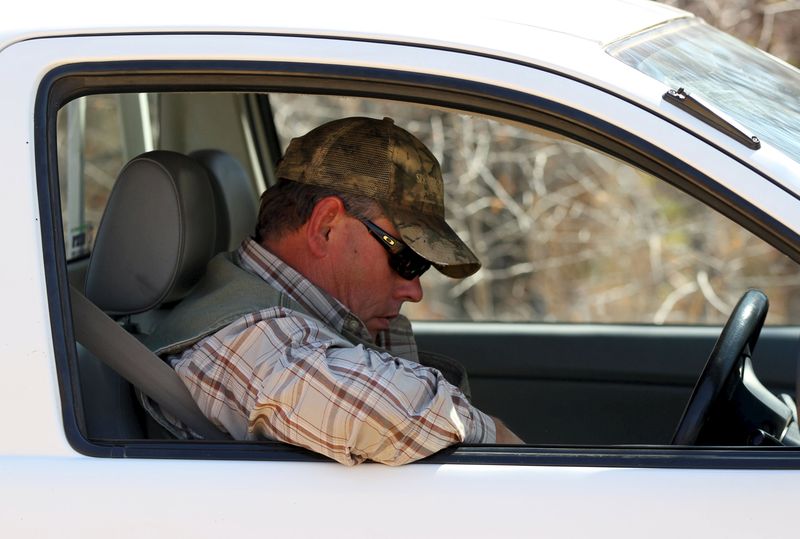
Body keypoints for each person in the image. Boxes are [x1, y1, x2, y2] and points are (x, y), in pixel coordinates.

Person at [147, 116, 523, 465]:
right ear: (326, 226)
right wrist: (499, 441)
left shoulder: (313, 318)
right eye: (407, 257)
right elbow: (374, 413)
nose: (414, 290)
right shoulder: (241, 337)